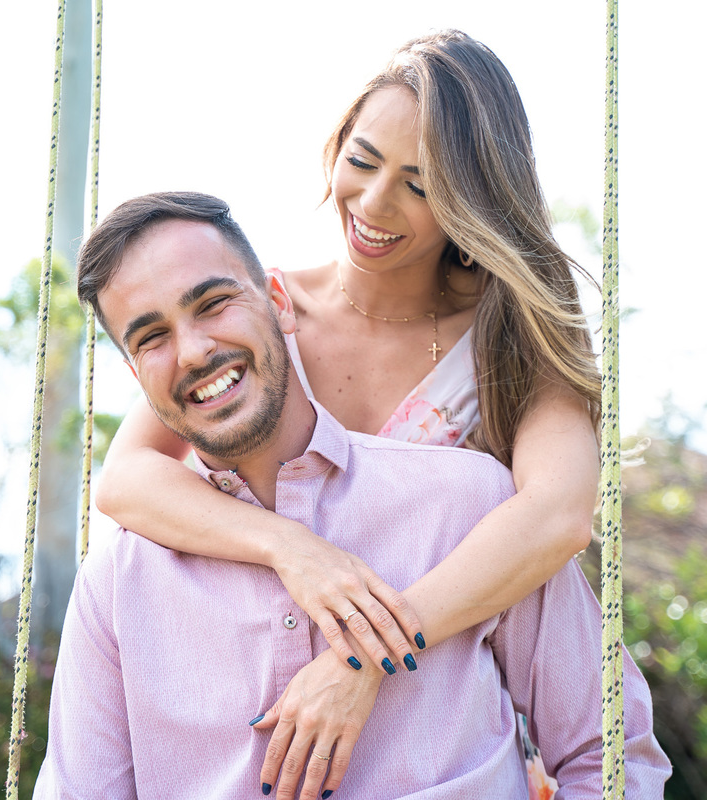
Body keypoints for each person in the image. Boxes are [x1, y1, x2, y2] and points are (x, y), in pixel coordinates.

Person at [97, 29, 603, 798]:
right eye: (361, 162)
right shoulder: (266, 311)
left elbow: (560, 516)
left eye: (420, 184)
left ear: (473, 197)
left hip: (436, 729)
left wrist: (366, 656)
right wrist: (292, 550)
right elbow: (127, 482)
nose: (372, 203)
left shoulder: (509, 337)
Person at [36, 191, 669, 799]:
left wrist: (369, 653)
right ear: (134, 373)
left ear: (279, 301)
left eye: (213, 304)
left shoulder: (470, 506)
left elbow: (610, 753)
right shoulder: (117, 585)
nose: (194, 351)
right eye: (151, 338)